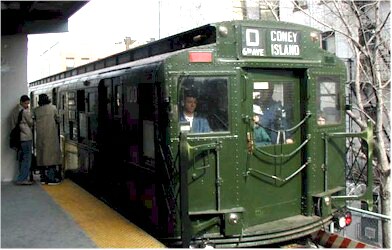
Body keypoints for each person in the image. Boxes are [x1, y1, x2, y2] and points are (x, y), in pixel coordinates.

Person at [33, 94, 62, 185]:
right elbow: (58, 119)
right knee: (52, 158)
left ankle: (43, 178)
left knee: (42, 157)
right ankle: (51, 179)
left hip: (40, 137)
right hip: (51, 136)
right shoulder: (53, 108)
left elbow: (32, 121)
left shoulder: (36, 110)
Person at [11, 95, 34, 185]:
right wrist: (29, 112)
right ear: (21, 102)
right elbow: (31, 123)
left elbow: (13, 124)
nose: (27, 105)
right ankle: (22, 179)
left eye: (28, 103)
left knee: (21, 158)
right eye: (26, 103)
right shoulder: (24, 111)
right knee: (27, 159)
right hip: (26, 137)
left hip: (18, 138)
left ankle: (21, 177)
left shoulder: (14, 111)